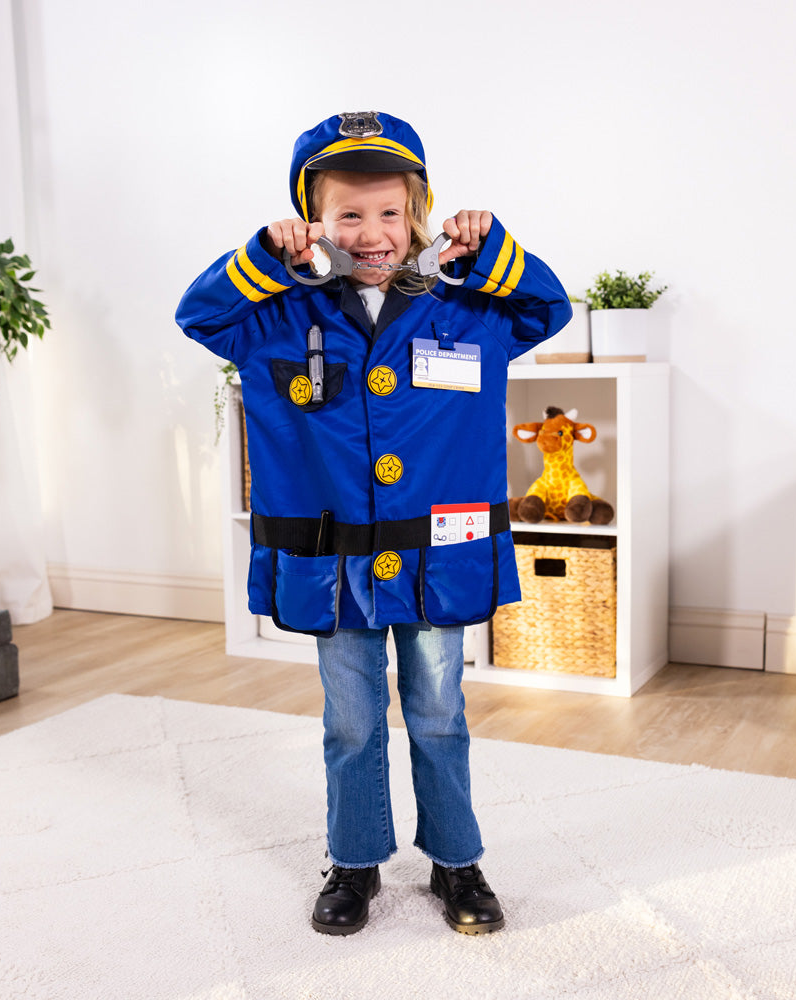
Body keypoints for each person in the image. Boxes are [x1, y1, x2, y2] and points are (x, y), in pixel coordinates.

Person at [176, 111, 571, 936]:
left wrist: (491, 246)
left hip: (436, 566)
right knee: (351, 722)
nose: (372, 233)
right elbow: (199, 315)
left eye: (390, 212)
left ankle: (456, 859)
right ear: (313, 221)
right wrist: (265, 255)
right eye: (348, 214)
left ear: (417, 213)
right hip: (336, 572)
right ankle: (354, 858)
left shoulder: (469, 312)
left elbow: (548, 308)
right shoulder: (277, 316)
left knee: (439, 713)